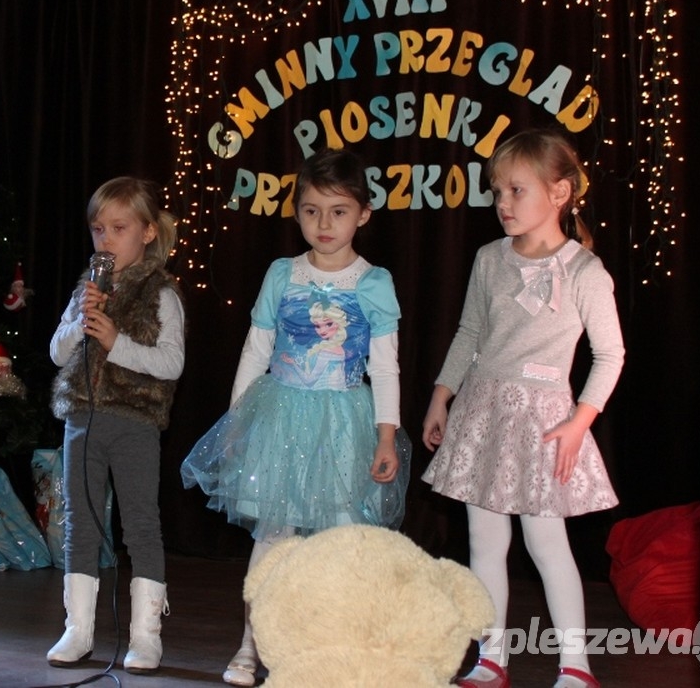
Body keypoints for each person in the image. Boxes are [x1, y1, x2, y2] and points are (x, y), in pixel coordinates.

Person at [181, 147, 410, 687]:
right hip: (280, 418)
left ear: (363, 214)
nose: (324, 223)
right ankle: (251, 645)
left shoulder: (373, 282)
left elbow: (386, 366)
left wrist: (386, 435)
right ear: (297, 213)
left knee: (343, 540)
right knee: (273, 537)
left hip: (343, 424)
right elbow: (256, 349)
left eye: (338, 211)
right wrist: (237, 422)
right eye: (311, 210)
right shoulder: (282, 274)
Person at [421, 127, 624, 688]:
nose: (503, 203)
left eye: (517, 190)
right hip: (482, 411)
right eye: (497, 192)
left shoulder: (584, 271)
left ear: (559, 193)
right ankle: (491, 658)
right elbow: (470, 333)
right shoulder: (489, 258)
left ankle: (576, 666)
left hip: (543, 423)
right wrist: (442, 394)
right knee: (484, 542)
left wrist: (580, 421)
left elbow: (610, 355)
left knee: (546, 543)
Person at [46, 176, 186, 674]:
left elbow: (171, 363)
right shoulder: (87, 289)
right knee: (79, 523)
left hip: (134, 423)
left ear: (147, 232)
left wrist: (115, 342)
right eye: (98, 229)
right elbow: (57, 353)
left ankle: (146, 637)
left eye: (118, 228)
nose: (105, 239)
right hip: (82, 421)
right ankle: (78, 629)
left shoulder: (161, 293)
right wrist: (78, 322)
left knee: (140, 525)